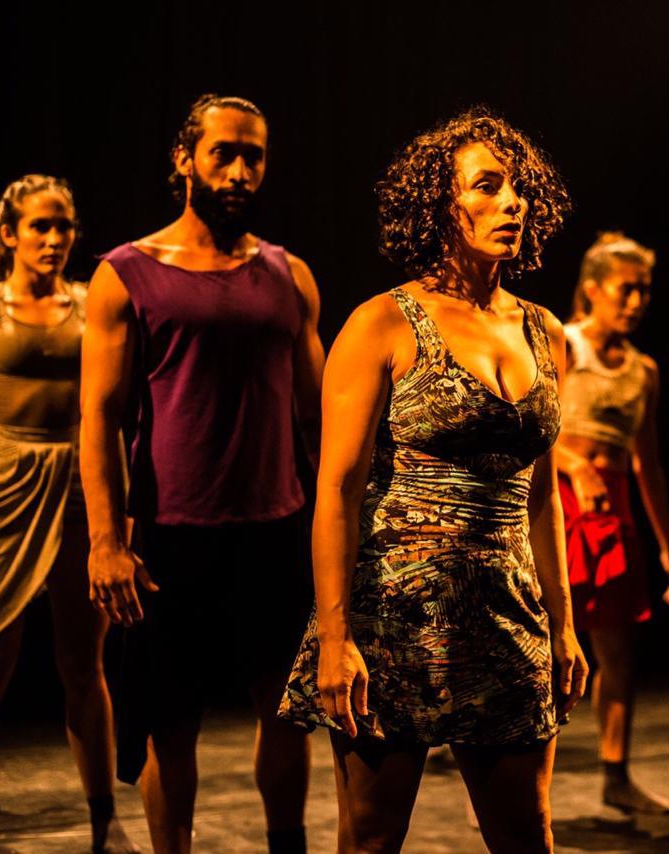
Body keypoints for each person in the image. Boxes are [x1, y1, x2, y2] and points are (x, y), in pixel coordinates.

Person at [280, 106, 588, 853]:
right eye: (487, 186)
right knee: (372, 839)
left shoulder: (546, 332)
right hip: (395, 623)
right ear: (439, 204)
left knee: (527, 836)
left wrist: (564, 623)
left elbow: (542, 497)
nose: (512, 203)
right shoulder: (382, 324)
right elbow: (337, 493)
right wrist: (334, 637)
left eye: (519, 189)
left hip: (508, 617)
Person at [80, 94, 325, 854]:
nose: (241, 170)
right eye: (225, 152)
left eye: (254, 155)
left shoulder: (289, 275)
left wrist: (346, 529)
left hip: (275, 530)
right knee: (170, 722)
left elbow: (321, 420)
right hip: (171, 535)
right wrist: (105, 542)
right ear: (185, 158)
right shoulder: (126, 273)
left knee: (285, 711)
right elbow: (98, 418)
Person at [0, 175, 134, 853]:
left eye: (64, 226)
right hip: (2, 487)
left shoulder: (90, 305)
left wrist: (121, 522)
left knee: (84, 665)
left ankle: (105, 822)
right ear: (9, 234)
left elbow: (111, 419)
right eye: (40, 225)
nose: (54, 238)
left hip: (79, 487)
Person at [554, 231, 669, 815]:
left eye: (644, 291)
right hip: (559, 503)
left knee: (617, 652)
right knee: (543, 647)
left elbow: (648, 465)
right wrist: (575, 465)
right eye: (625, 290)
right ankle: (511, 780)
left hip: (613, 513)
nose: (636, 302)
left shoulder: (644, 371)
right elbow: (528, 430)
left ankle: (616, 776)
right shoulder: (562, 343)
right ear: (592, 290)